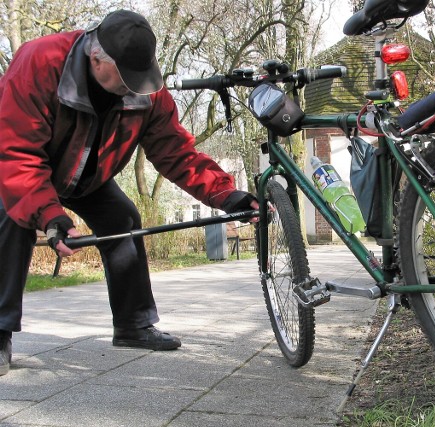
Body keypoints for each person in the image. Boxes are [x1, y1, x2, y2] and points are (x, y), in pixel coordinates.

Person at [0, 10, 259, 376]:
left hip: (88, 177)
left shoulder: (147, 88)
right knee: (12, 219)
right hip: (26, 170)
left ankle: (133, 325)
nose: (136, 87)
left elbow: (176, 151)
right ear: (95, 59)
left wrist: (226, 195)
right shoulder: (38, 63)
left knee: (122, 219)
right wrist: (51, 216)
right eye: (127, 79)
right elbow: (18, 154)